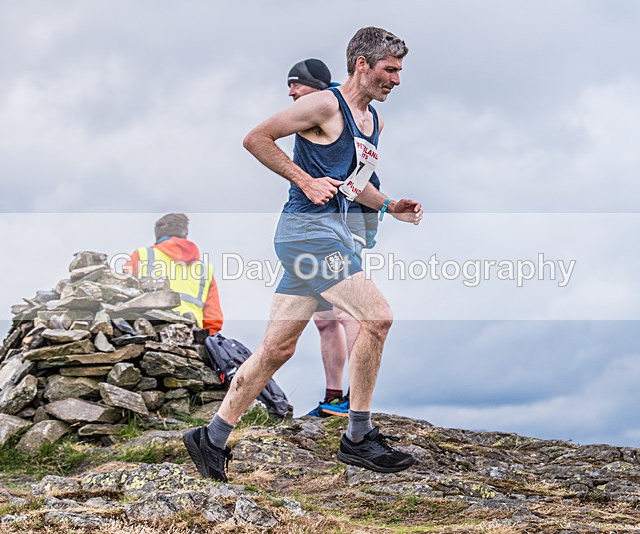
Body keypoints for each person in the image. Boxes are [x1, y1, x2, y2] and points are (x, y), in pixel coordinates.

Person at [184, 26, 421, 482]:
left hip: (331, 233)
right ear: (361, 65)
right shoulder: (323, 104)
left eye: (400, 71)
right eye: (390, 70)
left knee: (276, 349)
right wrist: (304, 180)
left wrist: (390, 204)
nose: (396, 80)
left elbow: (356, 185)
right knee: (377, 317)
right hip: (306, 234)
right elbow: (256, 138)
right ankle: (357, 437)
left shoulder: (374, 122)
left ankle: (210, 439)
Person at [287, 57, 381, 418]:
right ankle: (333, 397)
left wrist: (372, 223)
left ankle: (357, 400)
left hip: (346, 223)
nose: (292, 91)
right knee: (325, 319)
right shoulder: (309, 121)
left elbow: (364, 177)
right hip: (313, 228)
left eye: (297, 85)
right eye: (289, 86)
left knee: (346, 312)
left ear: (319, 87)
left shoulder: (341, 111)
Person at [124, 213, 223, 334]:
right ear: (186, 235)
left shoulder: (142, 255)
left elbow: (121, 295)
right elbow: (214, 318)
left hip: (147, 330)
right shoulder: (205, 270)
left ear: (157, 235)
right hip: (190, 336)